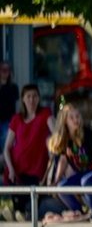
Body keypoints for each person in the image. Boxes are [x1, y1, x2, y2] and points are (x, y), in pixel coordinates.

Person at [43, 101, 92, 221]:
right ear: (65, 121)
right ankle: (80, 213)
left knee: (86, 181)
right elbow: (63, 160)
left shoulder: (87, 133)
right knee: (62, 187)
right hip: (84, 175)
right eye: (71, 117)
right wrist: (56, 180)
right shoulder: (65, 139)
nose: (75, 120)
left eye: (77, 116)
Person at [2, 84, 54, 219]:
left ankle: (20, 216)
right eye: (28, 96)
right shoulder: (17, 119)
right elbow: (7, 148)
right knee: (19, 200)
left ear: (39, 98)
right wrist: (11, 168)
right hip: (16, 168)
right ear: (23, 99)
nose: (32, 100)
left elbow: (56, 134)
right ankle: (15, 216)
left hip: (36, 169)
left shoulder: (45, 114)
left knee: (31, 200)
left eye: (35, 96)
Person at [0, 61, 18, 150]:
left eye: (7, 69)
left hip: (8, 120)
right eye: (2, 69)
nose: (5, 71)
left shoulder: (13, 87)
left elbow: (13, 102)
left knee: (5, 144)